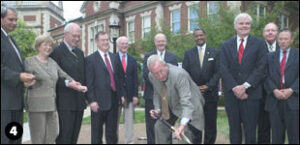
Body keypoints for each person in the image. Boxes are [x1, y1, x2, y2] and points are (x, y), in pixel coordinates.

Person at [24, 35, 87, 144]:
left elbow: (65, 75)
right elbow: (25, 79)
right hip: (37, 106)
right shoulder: (30, 61)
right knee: (38, 138)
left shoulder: (53, 63)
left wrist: (76, 84)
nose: (48, 47)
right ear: (38, 46)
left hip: (51, 106)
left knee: (53, 134)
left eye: (50, 45)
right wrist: (28, 82)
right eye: (45, 45)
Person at [220, 13, 268, 144]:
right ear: (235, 26)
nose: (244, 26)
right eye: (241, 23)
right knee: (234, 130)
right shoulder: (225, 45)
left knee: (251, 131)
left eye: (247, 23)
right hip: (232, 96)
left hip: (251, 95)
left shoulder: (259, 44)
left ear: (250, 26)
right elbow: (223, 68)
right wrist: (235, 88)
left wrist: (245, 86)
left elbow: (261, 68)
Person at [148, 55, 205, 144]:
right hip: (172, 104)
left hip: (191, 104)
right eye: (156, 73)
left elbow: (186, 102)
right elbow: (157, 92)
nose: (159, 76)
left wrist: (182, 125)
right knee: (159, 127)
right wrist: (158, 109)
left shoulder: (179, 75)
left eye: (161, 71)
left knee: (184, 134)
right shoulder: (151, 76)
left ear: (165, 65)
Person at [1, 5, 35, 144]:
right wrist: (18, 77)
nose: (14, 23)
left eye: (16, 19)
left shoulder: (11, 39)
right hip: (3, 104)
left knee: (15, 139)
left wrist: (24, 80)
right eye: (10, 19)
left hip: (15, 102)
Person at [50, 23, 87, 144]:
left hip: (79, 103)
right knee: (64, 138)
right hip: (64, 104)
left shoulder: (80, 53)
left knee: (74, 138)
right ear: (65, 35)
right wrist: (67, 83)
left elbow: (83, 76)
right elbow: (52, 76)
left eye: (79, 36)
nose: (77, 39)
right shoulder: (56, 52)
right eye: (74, 36)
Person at [85, 31, 125, 144]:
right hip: (98, 102)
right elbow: (89, 83)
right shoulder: (90, 60)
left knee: (112, 133)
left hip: (113, 101)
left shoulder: (115, 57)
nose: (106, 42)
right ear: (97, 42)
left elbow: (119, 79)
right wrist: (92, 101)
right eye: (103, 40)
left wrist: (121, 95)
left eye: (107, 40)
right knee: (97, 134)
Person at [182, 28, 220, 144]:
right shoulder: (188, 53)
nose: (199, 38)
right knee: (195, 125)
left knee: (210, 125)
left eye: (201, 35)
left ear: (205, 35)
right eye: (196, 36)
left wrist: (208, 86)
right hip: (194, 96)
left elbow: (218, 72)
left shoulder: (215, 52)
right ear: (194, 38)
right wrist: (194, 88)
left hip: (210, 94)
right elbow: (185, 73)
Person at [264, 29, 299, 144]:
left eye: (286, 39)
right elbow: (265, 76)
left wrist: (292, 89)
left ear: (292, 40)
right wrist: (274, 90)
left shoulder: (297, 55)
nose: (283, 41)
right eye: (280, 39)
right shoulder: (270, 57)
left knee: (294, 137)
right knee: (276, 138)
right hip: (274, 101)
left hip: (293, 101)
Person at [143, 33, 178, 144]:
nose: (161, 43)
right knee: (151, 125)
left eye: (163, 41)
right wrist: (160, 81)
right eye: (158, 41)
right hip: (151, 95)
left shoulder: (172, 57)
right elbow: (145, 74)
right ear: (155, 43)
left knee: (167, 124)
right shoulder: (148, 56)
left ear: (166, 42)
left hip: (168, 97)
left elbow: (174, 74)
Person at [258, 22, 280, 144]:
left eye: (273, 30)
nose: (270, 32)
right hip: (262, 95)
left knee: (279, 128)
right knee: (263, 127)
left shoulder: (283, 48)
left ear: (277, 33)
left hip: (280, 95)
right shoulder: (257, 48)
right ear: (264, 33)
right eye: (267, 30)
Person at [116, 36, 138, 144]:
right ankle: (113, 140)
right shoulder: (113, 58)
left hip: (130, 95)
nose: (125, 46)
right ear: (117, 45)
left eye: (126, 43)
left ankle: (129, 141)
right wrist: (120, 94)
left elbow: (135, 79)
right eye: (122, 43)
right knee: (114, 121)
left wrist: (135, 95)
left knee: (129, 121)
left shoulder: (133, 60)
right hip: (116, 95)